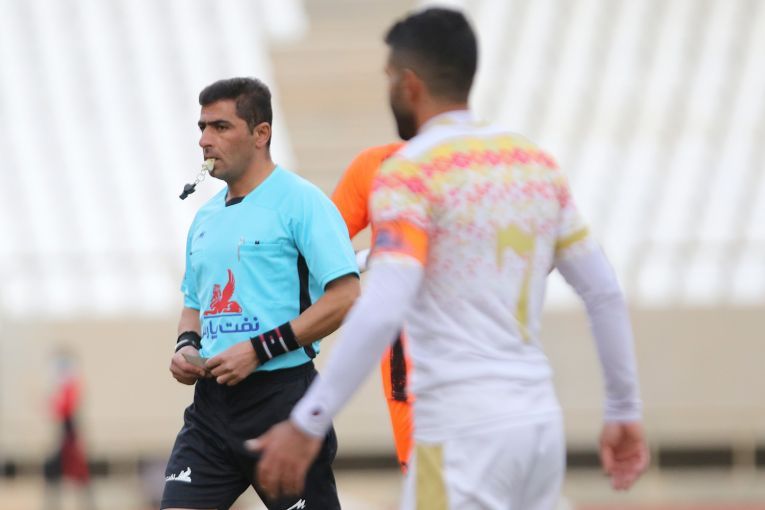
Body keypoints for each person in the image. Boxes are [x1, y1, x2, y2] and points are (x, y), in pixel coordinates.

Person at [249, 7, 649, 509]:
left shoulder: (409, 171)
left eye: (389, 79)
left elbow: (384, 306)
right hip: (539, 426)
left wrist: (309, 420)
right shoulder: (534, 164)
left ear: (409, 84)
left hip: (461, 430)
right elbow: (603, 291)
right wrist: (624, 408)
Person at [162, 77, 360, 510]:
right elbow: (193, 303)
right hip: (211, 408)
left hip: (282, 400)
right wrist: (186, 345)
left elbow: (346, 296)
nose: (204, 140)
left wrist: (258, 350)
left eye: (220, 127)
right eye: (202, 127)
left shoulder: (302, 201)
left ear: (260, 133)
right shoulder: (205, 218)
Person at [331, 143, 415, 472]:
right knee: (426, 484)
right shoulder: (374, 163)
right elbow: (320, 250)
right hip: (410, 363)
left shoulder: (488, 162)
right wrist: (370, 258)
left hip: (475, 365)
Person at [44, 348, 94, 510]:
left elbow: (64, 408)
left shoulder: (71, 387)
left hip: (69, 438)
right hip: (68, 437)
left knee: (75, 473)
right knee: (60, 472)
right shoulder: (69, 388)